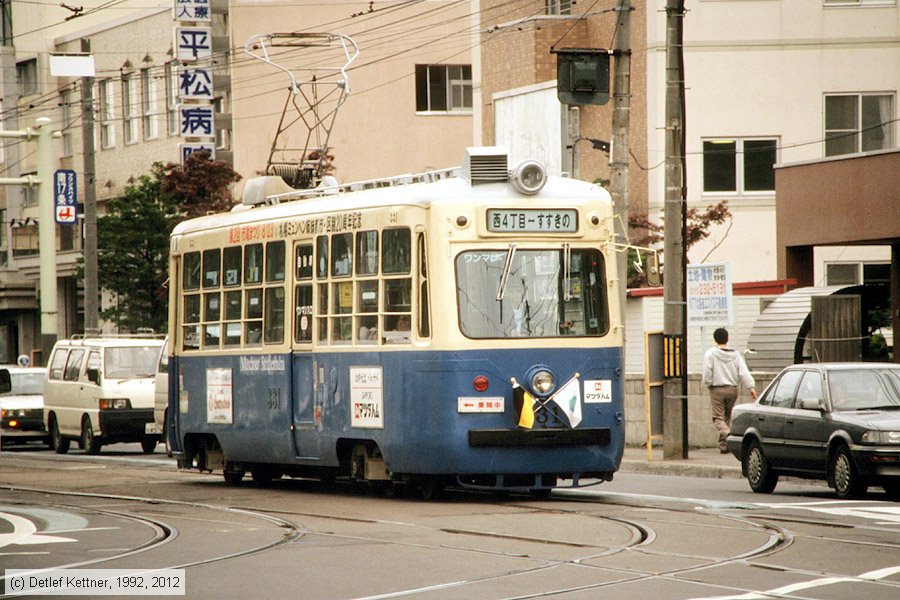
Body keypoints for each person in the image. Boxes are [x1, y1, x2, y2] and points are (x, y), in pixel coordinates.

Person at [702, 327, 757, 453]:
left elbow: (707, 372)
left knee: (717, 418)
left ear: (715, 339)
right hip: (732, 389)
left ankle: (730, 435)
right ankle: (724, 446)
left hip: (717, 389)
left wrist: (709, 383)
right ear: (728, 338)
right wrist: (751, 387)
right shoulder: (735, 354)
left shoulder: (711, 354)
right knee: (727, 417)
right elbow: (743, 372)